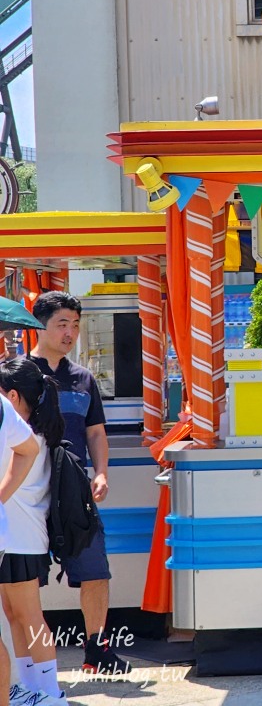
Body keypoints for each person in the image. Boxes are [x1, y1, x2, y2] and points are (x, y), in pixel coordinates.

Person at [29, 291, 129, 675]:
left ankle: (97, 649)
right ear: (41, 326)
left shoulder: (83, 378)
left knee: (95, 571)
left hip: (76, 494)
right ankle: (31, 659)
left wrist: (101, 472)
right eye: (61, 324)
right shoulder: (18, 374)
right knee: (25, 579)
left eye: (75, 324)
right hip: (30, 493)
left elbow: (97, 434)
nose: (70, 332)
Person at [0, 359, 68, 704]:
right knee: (16, 616)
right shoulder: (35, 435)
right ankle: (30, 689)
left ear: (13, 396)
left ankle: (51, 691)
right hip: (19, 540)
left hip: (21, 540)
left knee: (30, 618)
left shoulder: (28, 440)